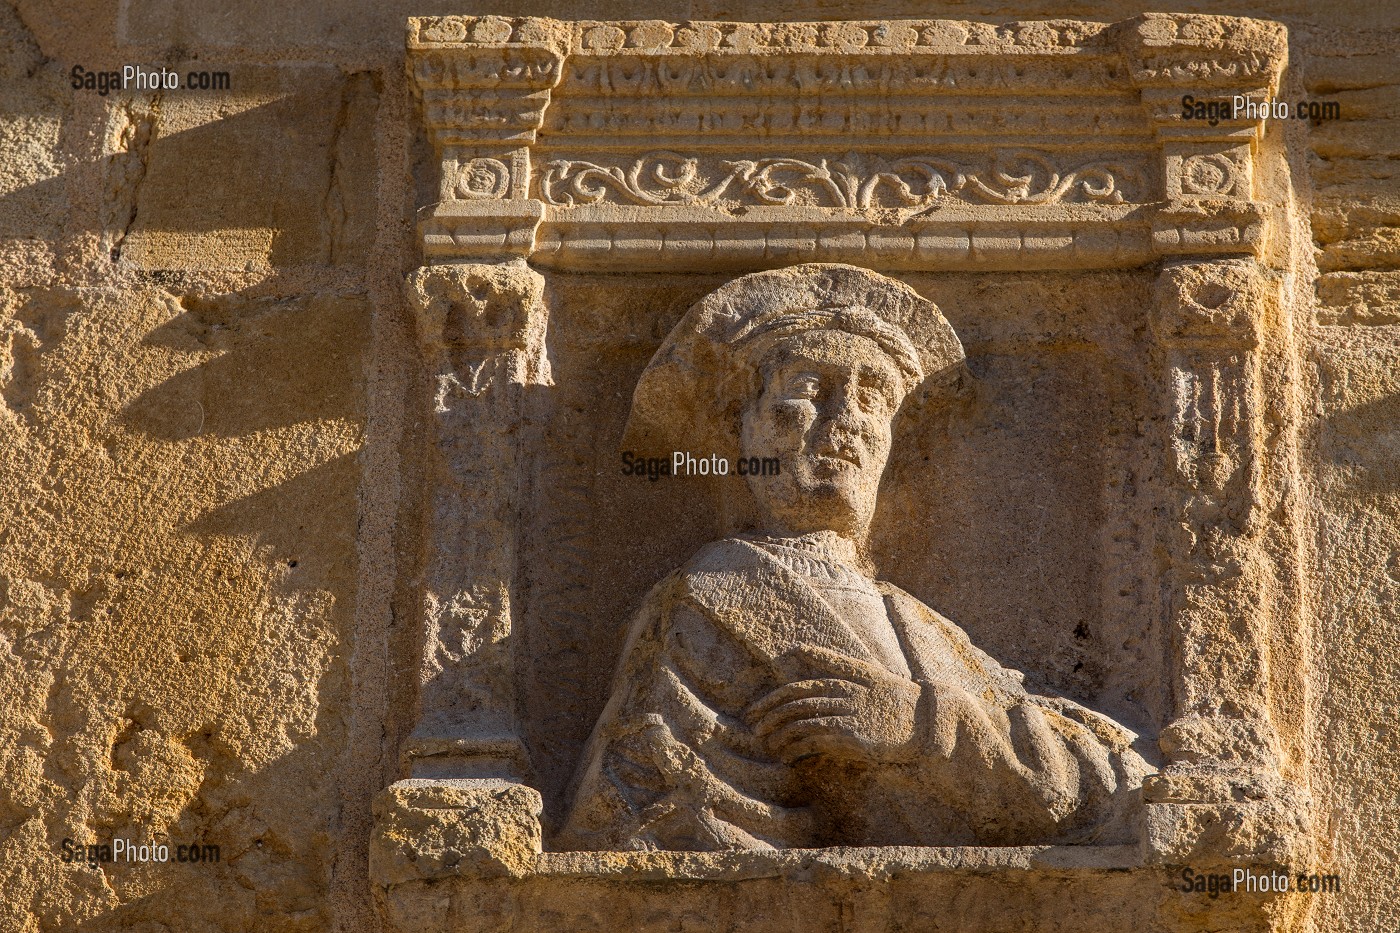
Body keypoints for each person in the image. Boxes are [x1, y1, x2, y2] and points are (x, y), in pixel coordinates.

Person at [557, 264, 1152, 851]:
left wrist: (920, 726)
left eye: (872, 398)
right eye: (809, 390)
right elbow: (632, 826)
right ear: (745, 426)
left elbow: (1110, 783)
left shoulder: (921, 626)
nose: (847, 421)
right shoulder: (708, 599)